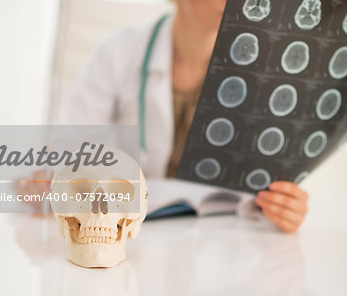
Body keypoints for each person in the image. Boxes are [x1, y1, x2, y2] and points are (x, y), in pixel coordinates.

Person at [17, 0, 308, 233]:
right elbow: (68, 150)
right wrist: (49, 182)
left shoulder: (264, 69)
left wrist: (283, 206)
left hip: (220, 237)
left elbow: (267, 179)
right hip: (124, 233)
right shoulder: (119, 52)